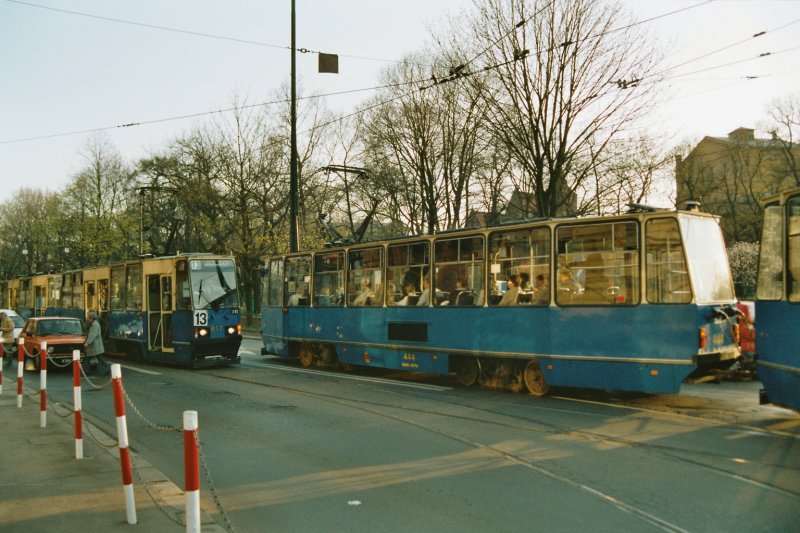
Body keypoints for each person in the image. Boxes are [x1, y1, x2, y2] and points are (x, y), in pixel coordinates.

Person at [85, 311, 110, 375]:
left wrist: (87, 342)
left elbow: (92, 335)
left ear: (92, 318)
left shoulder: (95, 325)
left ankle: (106, 369)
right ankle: (86, 371)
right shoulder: (95, 324)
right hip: (95, 346)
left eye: (89, 318)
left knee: (98, 358)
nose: (88, 319)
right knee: (91, 358)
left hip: (95, 346)